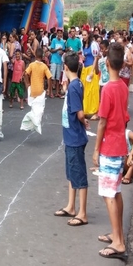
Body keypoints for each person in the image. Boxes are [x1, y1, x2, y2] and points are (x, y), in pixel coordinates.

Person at [92, 42, 129, 260]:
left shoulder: (107, 90)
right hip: (120, 144)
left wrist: (96, 149)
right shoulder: (123, 87)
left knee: (108, 194)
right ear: (122, 63)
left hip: (109, 146)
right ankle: (117, 234)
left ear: (107, 63)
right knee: (115, 191)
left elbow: (102, 122)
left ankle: (118, 241)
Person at [54, 52, 89, 226]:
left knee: (79, 173)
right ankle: (71, 206)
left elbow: (79, 112)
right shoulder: (74, 84)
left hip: (75, 136)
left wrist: (84, 121)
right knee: (71, 172)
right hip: (71, 135)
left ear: (66, 67)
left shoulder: (75, 86)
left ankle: (82, 212)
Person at [49, 28, 65, 98]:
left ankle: (57, 92)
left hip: (60, 61)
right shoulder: (54, 40)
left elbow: (63, 51)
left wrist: (62, 53)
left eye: (60, 33)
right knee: (52, 77)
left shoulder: (63, 42)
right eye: (58, 33)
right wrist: (58, 49)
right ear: (57, 34)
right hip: (54, 60)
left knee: (58, 78)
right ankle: (51, 92)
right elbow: (51, 50)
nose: (59, 34)